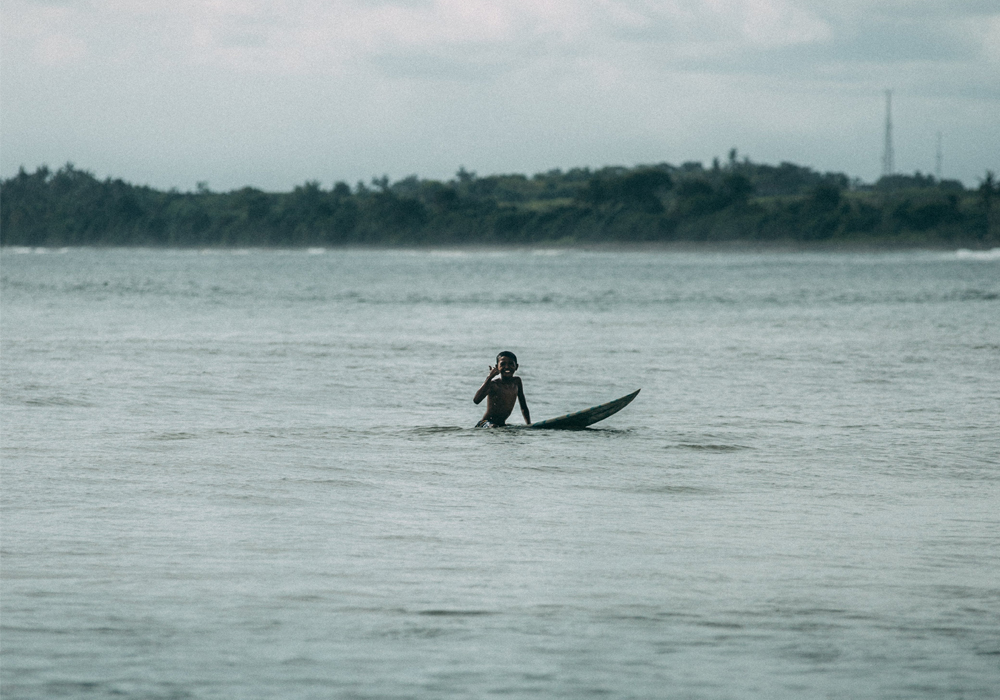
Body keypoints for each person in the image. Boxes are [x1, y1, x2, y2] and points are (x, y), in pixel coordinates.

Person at [473, 351, 531, 427]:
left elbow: (523, 407)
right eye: (503, 364)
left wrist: (529, 425)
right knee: (494, 427)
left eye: (511, 364)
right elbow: (476, 400)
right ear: (497, 367)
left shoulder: (517, 381)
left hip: (500, 424)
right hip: (485, 423)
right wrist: (489, 377)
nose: (507, 367)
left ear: (516, 366)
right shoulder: (493, 384)